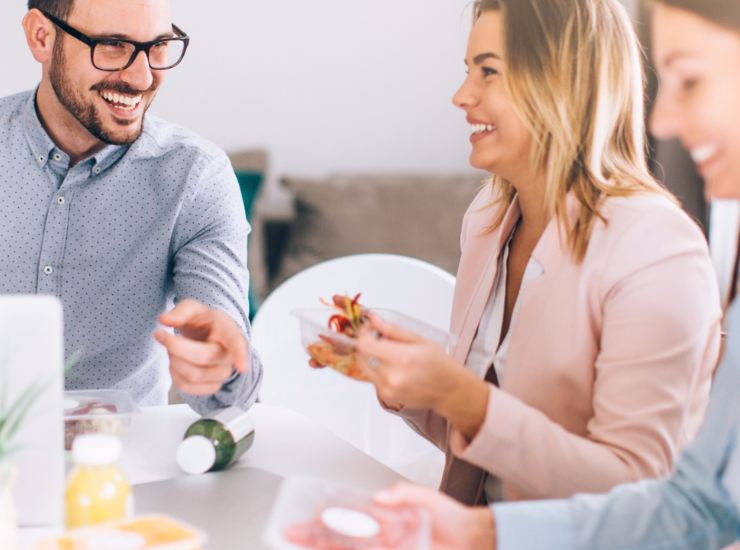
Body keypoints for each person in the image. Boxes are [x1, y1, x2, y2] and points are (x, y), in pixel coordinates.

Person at [374, 0, 740, 548]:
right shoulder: (487, 222)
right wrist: (414, 390)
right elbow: (487, 451)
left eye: (488, 71)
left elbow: (643, 493)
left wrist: (465, 399)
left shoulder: (656, 246)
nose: (461, 96)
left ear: (564, 81)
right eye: (466, 70)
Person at [0, 0, 262, 414]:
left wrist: (219, 367)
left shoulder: (196, 177)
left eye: (158, 45)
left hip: (118, 462)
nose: (142, 77)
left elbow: (228, 384)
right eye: (113, 45)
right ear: (41, 37)